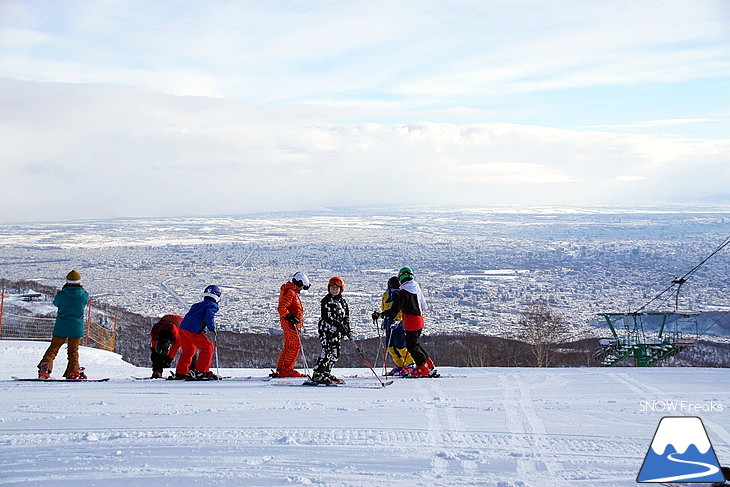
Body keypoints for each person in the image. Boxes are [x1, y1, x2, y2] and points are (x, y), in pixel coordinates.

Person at [382, 267, 436, 377]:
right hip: (419, 319)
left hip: (411, 320)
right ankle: (428, 364)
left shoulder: (404, 291)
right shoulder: (415, 287)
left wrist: (383, 314)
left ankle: (421, 366)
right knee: (415, 343)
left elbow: (396, 308)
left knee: (411, 345)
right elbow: (423, 305)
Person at [37, 270, 90, 379]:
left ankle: (45, 368)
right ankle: (74, 371)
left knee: (54, 348)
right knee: (73, 351)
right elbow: (85, 302)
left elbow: (56, 303)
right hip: (76, 327)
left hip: (61, 326)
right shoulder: (83, 295)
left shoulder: (61, 294)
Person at [172, 285, 221, 380]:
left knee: (189, 351)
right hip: (192, 331)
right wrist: (212, 328)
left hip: (182, 328)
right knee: (208, 347)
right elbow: (209, 317)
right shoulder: (212, 305)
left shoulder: (197, 305)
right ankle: (202, 372)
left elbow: (193, 317)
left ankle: (181, 372)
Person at [308, 277, 350, 385]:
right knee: (326, 351)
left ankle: (326, 372)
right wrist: (339, 325)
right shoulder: (326, 300)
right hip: (326, 330)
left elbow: (346, 317)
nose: (334, 289)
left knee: (335, 353)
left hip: (337, 332)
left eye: (337, 288)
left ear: (341, 289)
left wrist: (347, 329)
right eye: (332, 287)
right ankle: (318, 373)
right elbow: (326, 316)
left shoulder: (343, 303)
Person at [373, 276, 414, 376]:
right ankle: (400, 365)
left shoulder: (400, 295)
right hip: (388, 323)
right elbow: (385, 309)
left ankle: (410, 364)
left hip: (398, 325)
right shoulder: (386, 295)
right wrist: (381, 316)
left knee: (400, 346)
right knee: (390, 347)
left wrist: (398, 320)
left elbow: (401, 310)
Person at [272, 272, 310, 378]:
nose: (301, 289)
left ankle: (281, 368)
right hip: (290, 324)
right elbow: (281, 308)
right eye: (302, 286)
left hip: (289, 324)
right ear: (299, 283)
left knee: (289, 346)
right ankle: (287, 369)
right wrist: (290, 317)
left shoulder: (290, 290)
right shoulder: (290, 292)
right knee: (294, 346)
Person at [150, 314, 185, 379]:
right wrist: (155, 354)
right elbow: (154, 348)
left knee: (190, 349)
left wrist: (169, 359)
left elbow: (176, 347)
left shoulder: (177, 336)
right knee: (156, 354)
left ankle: (190, 369)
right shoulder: (155, 332)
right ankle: (157, 371)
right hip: (165, 321)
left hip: (181, 322)